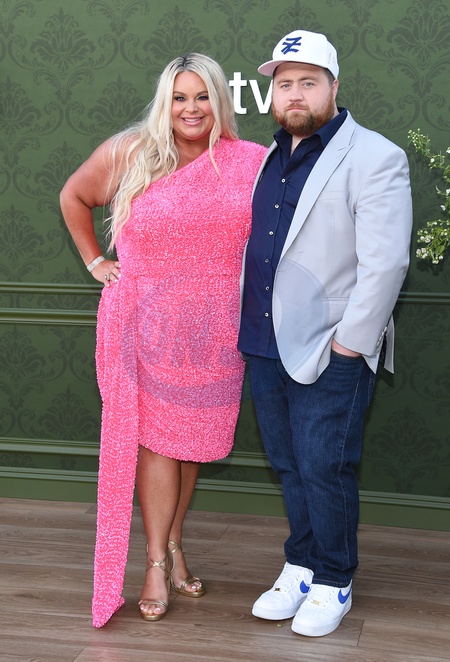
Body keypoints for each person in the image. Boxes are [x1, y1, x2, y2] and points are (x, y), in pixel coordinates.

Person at [60, 53, 266, 628]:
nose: (191, 109)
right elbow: (73, 195)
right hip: (144, 324)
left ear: (219, 101)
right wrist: (96, 261)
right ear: (164, 103)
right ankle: (154, 563)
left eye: (202, 97)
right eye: (179, 97)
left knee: (190, 443)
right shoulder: (131, 152)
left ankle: (174, 545)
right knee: (156, 442)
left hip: (216, 331)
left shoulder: (250, 161)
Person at [238, 29, 412, 637]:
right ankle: (302, 563)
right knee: (288, 464)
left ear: (334, 87)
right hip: (263, 341)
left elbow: (386, 264)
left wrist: (350, 345)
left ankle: (335, 577)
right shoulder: (266, 157)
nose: (294, 94)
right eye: (284, 84)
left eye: (308, 82)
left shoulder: (375, 155)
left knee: (324, 466)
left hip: (331, 345)